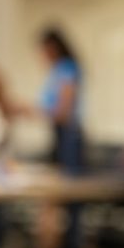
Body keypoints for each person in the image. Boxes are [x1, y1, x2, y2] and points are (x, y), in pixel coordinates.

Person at [39, 27, 83, 174]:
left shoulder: (67, 69)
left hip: (68, 134)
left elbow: (63, 111)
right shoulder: (56, 71)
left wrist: (36, 112)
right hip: (58, 132)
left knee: (67, 182)